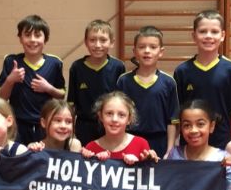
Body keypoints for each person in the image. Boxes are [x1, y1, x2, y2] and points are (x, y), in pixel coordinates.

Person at [173, 10, 231, 149]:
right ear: (194, 36)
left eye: (214, 32)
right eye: (203, 31)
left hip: (221, 144)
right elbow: (176, 114)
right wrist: (174, 146)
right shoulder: (182, 71)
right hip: (189, 144)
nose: (208, 36)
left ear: (222, 35)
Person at [0, 15, 65, 145]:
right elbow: (0, 98)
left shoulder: (55, 63)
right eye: (27, 35)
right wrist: (10, 80)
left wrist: (48, 88)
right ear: (20, 38)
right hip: (18, 125)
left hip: (45, 125)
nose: (32, 40)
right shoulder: (11, 61)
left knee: (42, 157)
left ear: (45, 39)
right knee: (19, 156)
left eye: (37, 35)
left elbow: (62, 95)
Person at [117, 26, 179, 158]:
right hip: (130, 140)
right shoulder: (124, 81)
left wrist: (169, 150)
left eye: (153, 47)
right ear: (134, 51)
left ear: (161, 52)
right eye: (142, 47)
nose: (147, 51)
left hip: (160, 142)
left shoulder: (169, 82)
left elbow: (172, 121)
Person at [67, 19, 125, 145]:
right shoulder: (77, 67)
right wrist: (70, 129)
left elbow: (122, 102)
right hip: (84, 126)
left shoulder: (118, 67)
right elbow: (71, 103)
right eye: (92, 40)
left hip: (110, 126)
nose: (97, 45)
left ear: (112, 42)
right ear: (86, 42)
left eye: (103, 40)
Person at [81, 91, 158, 165]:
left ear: (129, 119)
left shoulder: (141, 144)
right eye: (109, 113)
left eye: (121, 115)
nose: (114, 119)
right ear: (101, 116)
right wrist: (92, 159)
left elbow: (150, 171)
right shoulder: (91, 147)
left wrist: (148, 162)